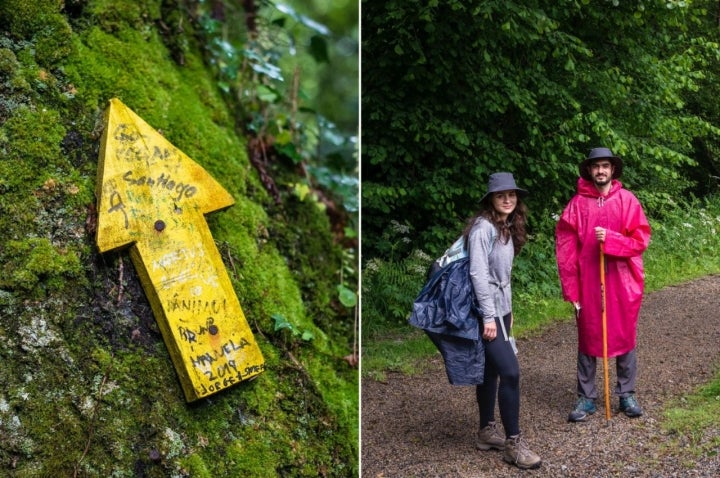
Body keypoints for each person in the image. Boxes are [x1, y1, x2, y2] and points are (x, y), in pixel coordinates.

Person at [555, 147, 651, 422]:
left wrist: (610, 240)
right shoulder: (576, 205)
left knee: (624, 334)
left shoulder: (628, 201)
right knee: (588, 335)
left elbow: (640, 241)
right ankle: (586, 398)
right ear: (589, 170)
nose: (600, 171)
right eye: (596, 166)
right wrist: (571, 289)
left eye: (605, 166)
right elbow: (565, 250)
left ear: (612, 170)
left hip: (622, 280)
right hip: (588, 280)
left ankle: (626, 394)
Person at [465, 172, 541, 470]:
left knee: (491, 371)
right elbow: (478, 275)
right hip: (487, 310)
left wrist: (506, 314)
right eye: (501, 195)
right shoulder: (483, 229)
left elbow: (502, 279)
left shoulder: (507, 226)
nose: (508, 199)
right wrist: (488, 316)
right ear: (490, 200)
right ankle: (513, 444)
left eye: (511, 194)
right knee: (510, 372)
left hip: (501, 309)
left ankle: (486, 431)